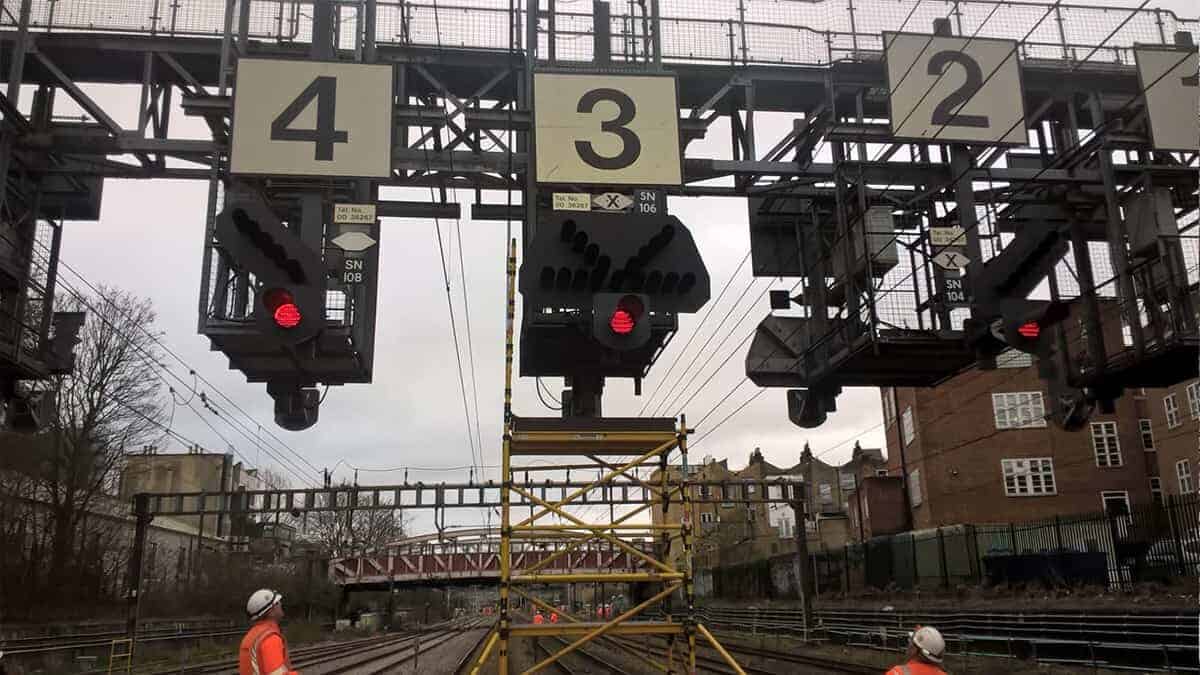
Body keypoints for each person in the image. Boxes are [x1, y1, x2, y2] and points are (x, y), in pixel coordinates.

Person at [239, 589, 299, 675]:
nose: (280, 604)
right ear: (270, 612)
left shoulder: (251, 635)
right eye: (277, 603)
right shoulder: (270, 638)